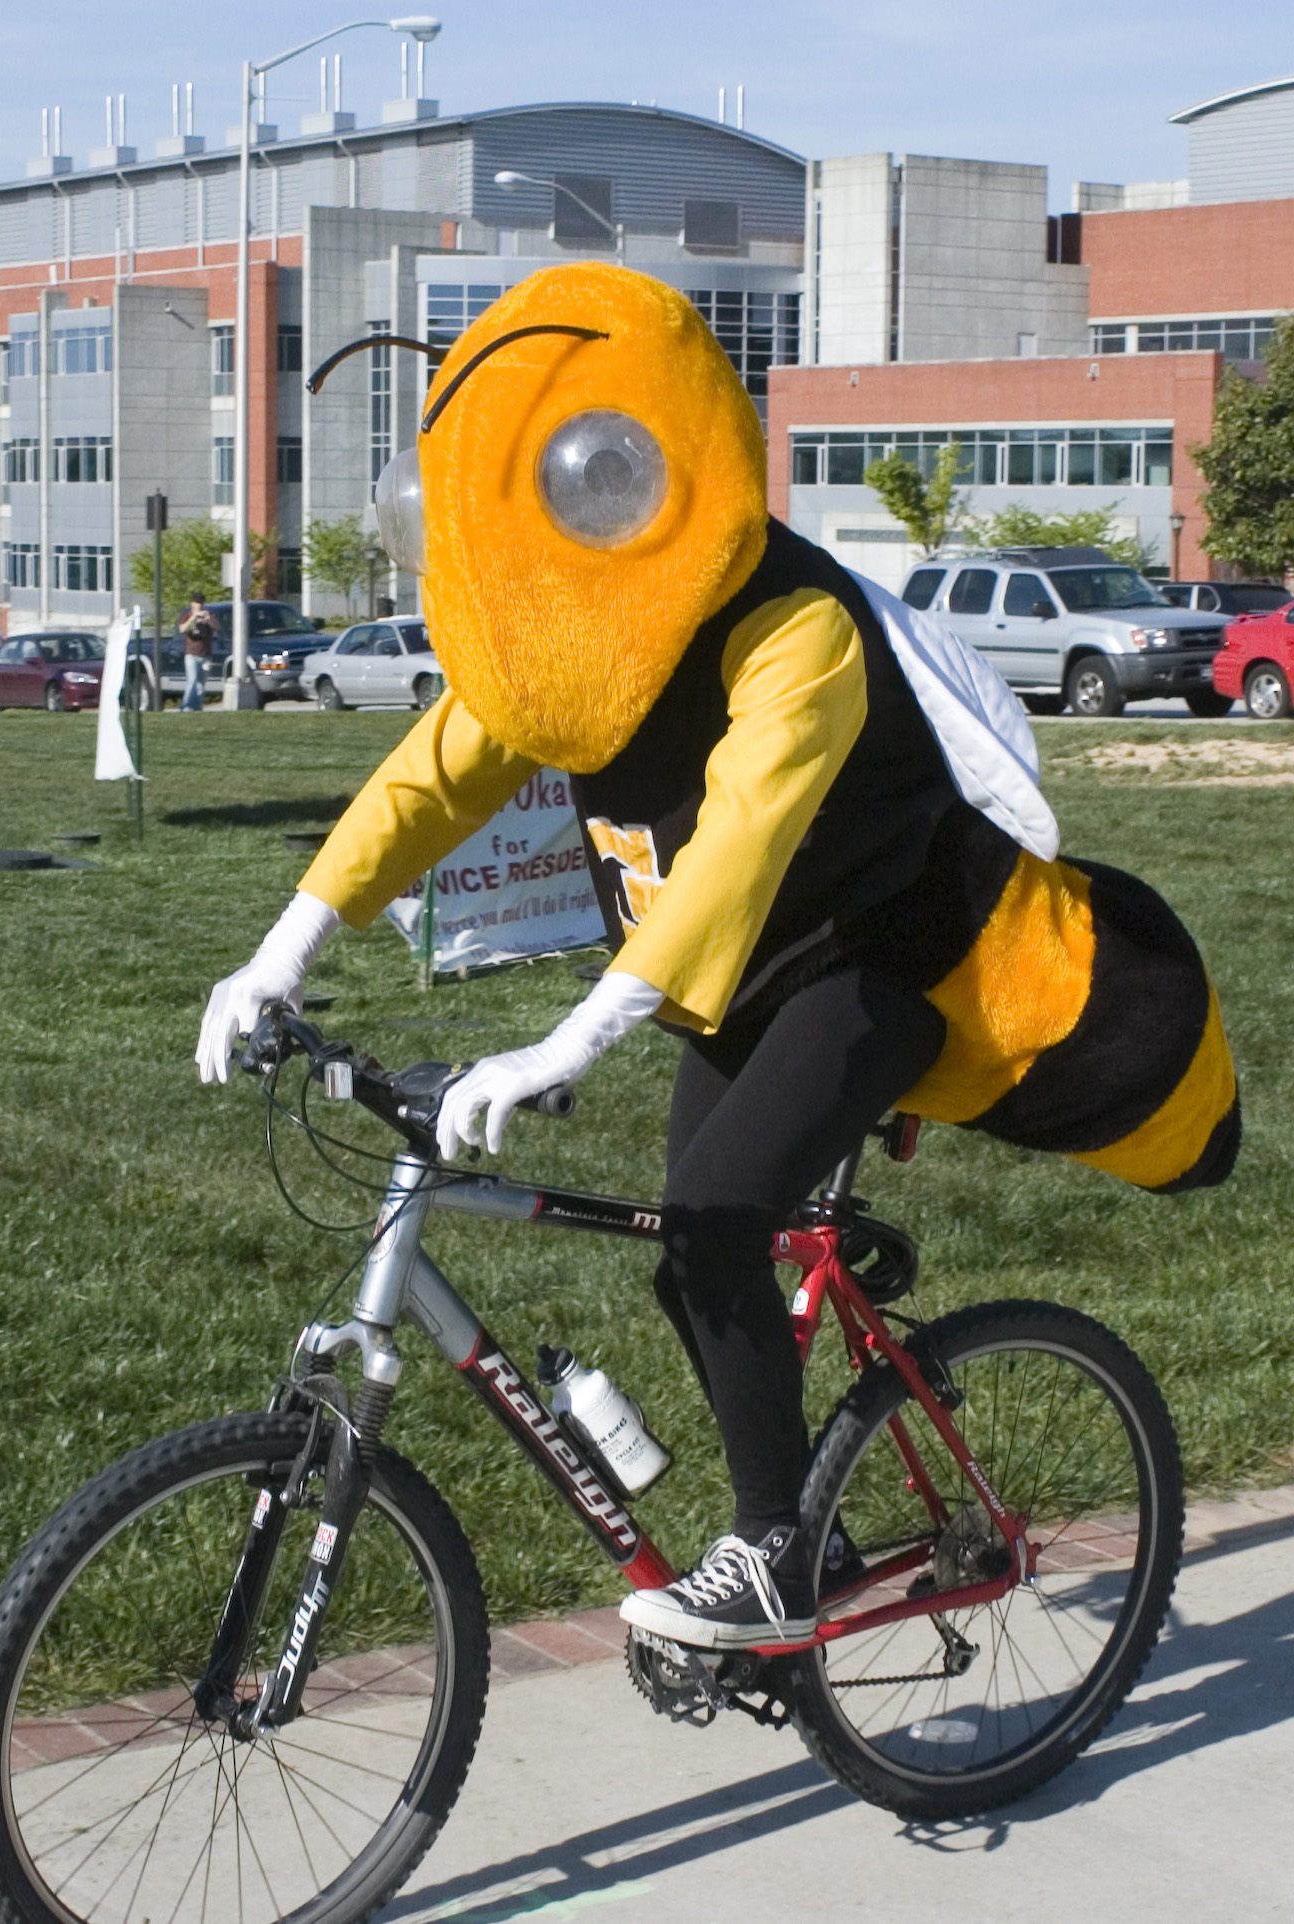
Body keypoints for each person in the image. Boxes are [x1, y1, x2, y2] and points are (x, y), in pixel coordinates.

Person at [198, 265, 1237, 1653]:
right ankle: (815, 1515)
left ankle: (768, 1552)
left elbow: (737, 847)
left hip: (885, 970)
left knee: (708, 1224)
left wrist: (568, 1042)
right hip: (750, 991)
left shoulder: (791, 627)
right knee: (690, 1263)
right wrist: (285, 948)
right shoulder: (580, 638)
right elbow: (431, 776)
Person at [178, 598, 217, 710]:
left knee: (201, 683)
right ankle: (186, 706)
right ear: (192, 603)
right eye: (196, 602)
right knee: (192, 680)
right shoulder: (187, 615)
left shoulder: (209, 614)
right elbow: (182, 629)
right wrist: (193, 618)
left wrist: (209, 619)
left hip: (206, 654)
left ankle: (197, 706)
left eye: (201, 602)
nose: (199, 605)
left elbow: (216, 627)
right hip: (191, 654)